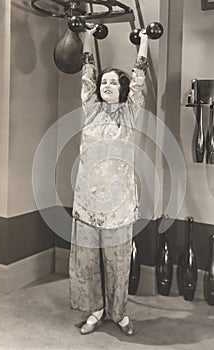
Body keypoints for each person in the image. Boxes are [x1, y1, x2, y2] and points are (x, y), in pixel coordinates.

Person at [69, 25, 149, 336]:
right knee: (87, 263)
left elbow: (139, 80)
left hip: (119, 205)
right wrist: (88, 36)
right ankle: (95, 310)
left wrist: (143, 42)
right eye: (104, 82)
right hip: (88, 203)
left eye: (113, 83)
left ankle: (118, 313)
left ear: (123, 88)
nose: (106, 86)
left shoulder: (129, 114)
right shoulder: (91, 111)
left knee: (118, 265)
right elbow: (86, 76)